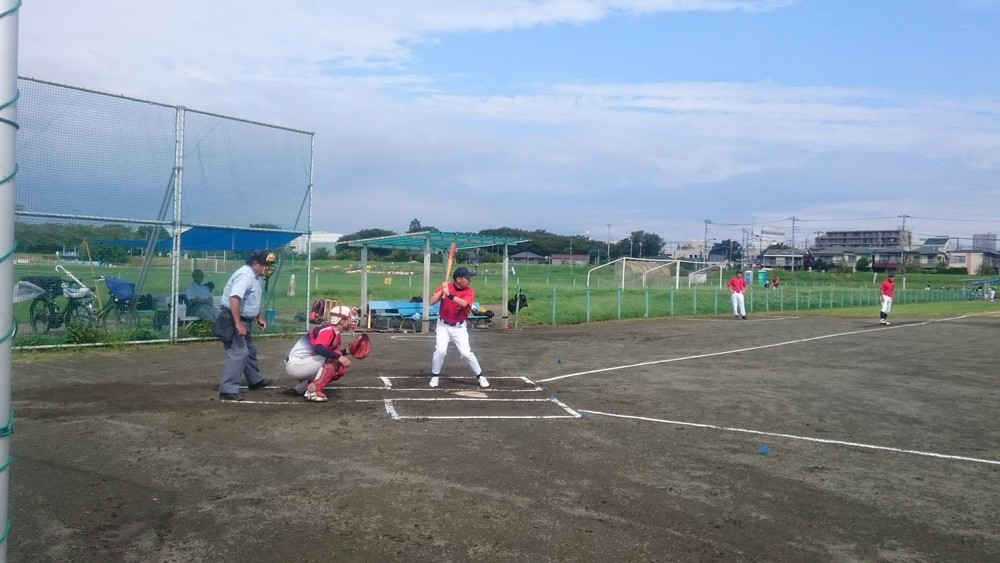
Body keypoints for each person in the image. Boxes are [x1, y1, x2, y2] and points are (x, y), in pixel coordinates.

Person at [216, 249, 276, 401]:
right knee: (239, 353)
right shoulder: (245, 275)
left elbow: (250, 300)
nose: (267, 268)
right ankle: (227, 389)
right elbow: (234, 298)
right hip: (232, 319)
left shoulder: (256, 277)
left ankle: (255, 381)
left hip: (244, 319)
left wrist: (258, 316)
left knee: (250, 350)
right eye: (265, 265)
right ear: (255, 264)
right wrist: (237, 323)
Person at [428, 266, 487, 388]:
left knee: (466, 353)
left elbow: (464, 303)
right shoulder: (445, 287)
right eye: (467, 278)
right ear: (458, 279)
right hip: (443, 325)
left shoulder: (469, 291)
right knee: (440, 351)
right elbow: (431, 301)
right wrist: (441, 291)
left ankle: (480, 376)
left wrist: (449, 295)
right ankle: (435, 376)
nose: (469, 280)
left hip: (459, 327)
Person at [285, 305, 356, 402]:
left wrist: (347, 351)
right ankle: (313, 391)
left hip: (301, 363)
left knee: (335, 359)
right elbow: (319, 348)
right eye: (348, 318)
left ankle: (302, 388)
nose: (351, 321)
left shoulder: (332, 330)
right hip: (296, 364)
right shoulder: (328, 330)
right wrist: (339, 357)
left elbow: (329, 351)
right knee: (334, 360)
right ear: (341, 320)